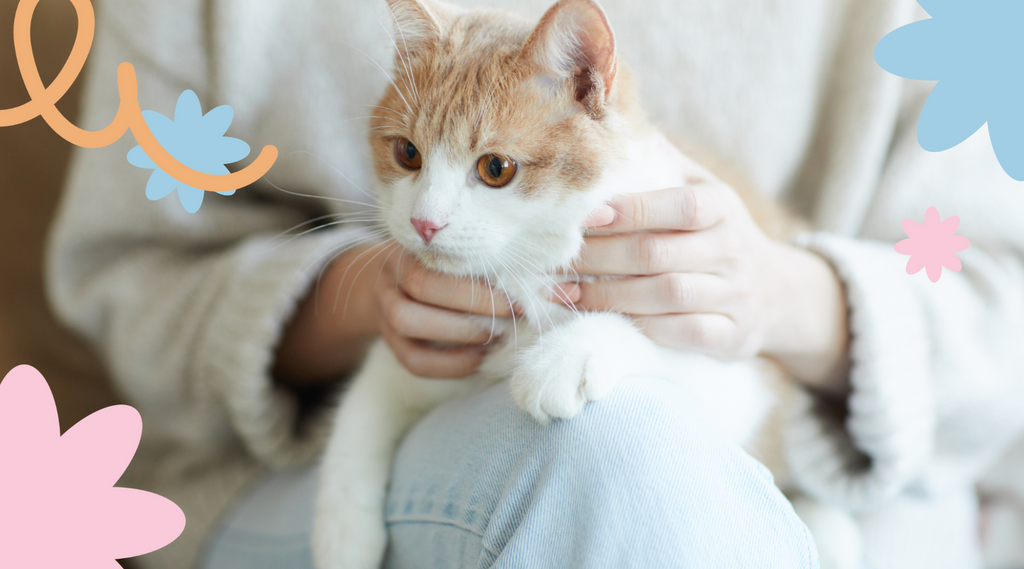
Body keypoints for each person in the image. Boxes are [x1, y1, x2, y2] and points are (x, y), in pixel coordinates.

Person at [45, 0, 1024, 567]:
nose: (428, 212)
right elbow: (125, 273)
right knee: (606, 445)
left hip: (848, 483)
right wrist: (348, 301)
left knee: (623, 436)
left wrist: (786, 298)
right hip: (285, 481)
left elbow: (1004, 302)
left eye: (493, 171)